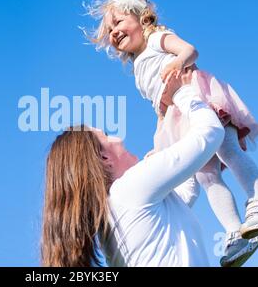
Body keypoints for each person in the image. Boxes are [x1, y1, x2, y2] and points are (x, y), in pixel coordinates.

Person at [83, 0, 258, 266]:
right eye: (110, 31)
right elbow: (161, 107)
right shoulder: (139, 71)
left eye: (118, 21)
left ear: (140, 16)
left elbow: (190, 51)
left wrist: (177, 63)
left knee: (227, 148)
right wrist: (159, 140)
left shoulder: (156, 38)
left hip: (198, 97)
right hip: (180, 116)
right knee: (206, 176)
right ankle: (234, 233)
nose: (115, 32)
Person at [41, 71, 227, 266]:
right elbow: (211, 133)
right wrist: (181, 92)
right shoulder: (130, 187)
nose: (119, 138)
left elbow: (185, 192)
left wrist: (171, 130)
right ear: (104, 158)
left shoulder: (112, 214)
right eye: (106, 135)